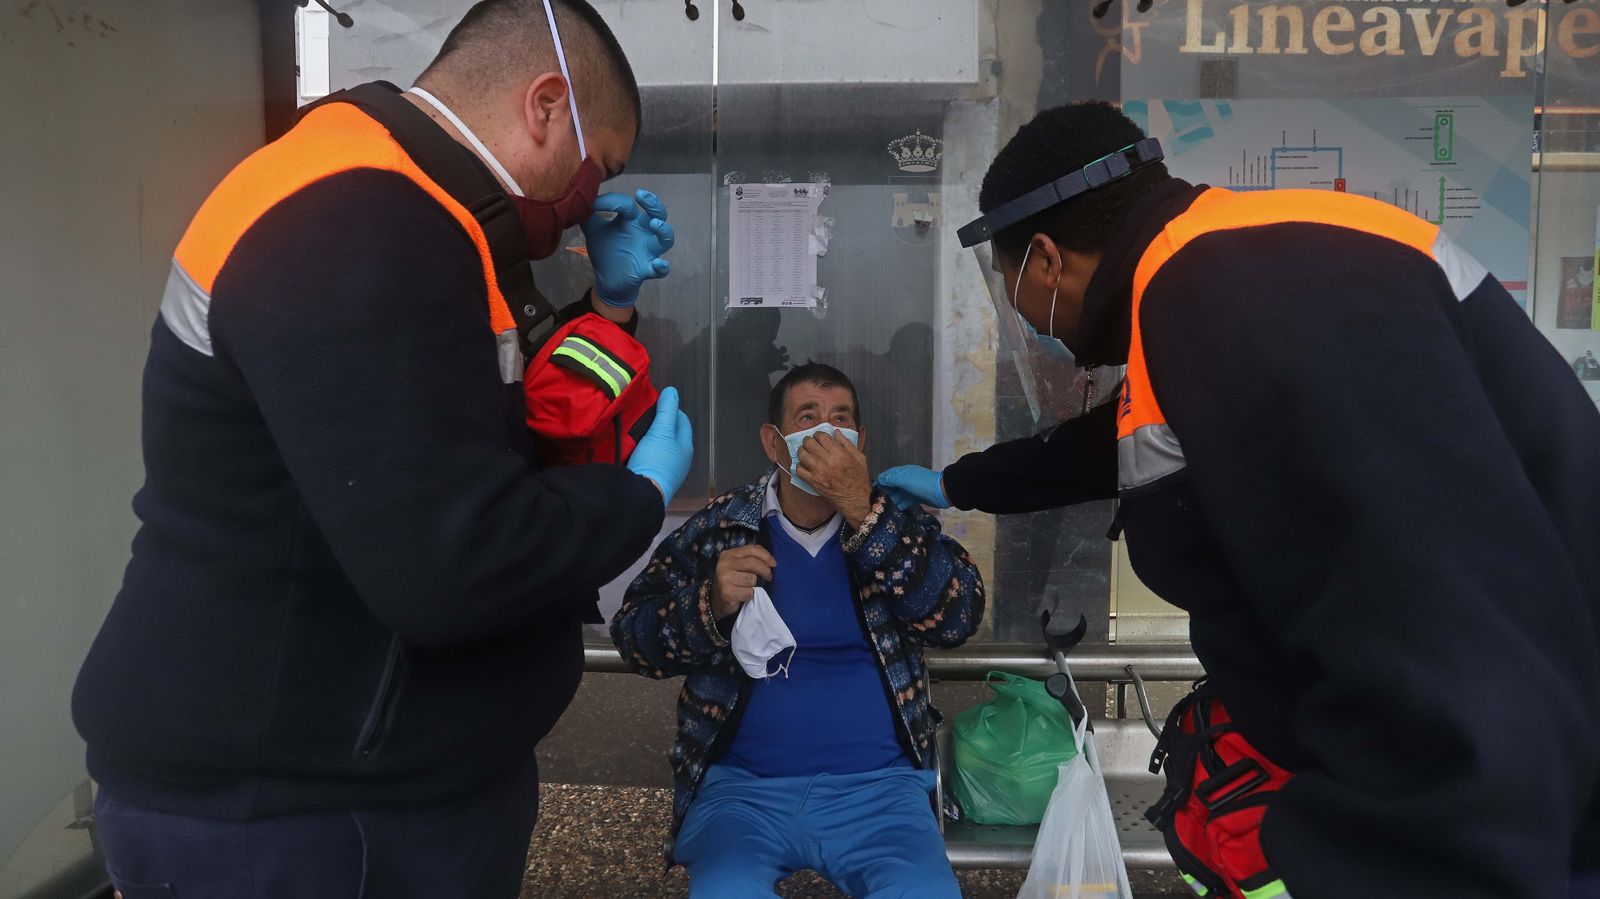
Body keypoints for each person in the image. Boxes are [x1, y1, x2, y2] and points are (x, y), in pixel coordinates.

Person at [879, 101, 1600, 898]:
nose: (1024, 314)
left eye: (1011, 284)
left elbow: (1437, 634)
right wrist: (961, 483)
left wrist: (1417, 857)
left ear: (1047, 260)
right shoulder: (1216, 271)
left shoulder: (1224, 291)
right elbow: (1127, 446)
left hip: (1492, 826)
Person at [70, 3, 693, 897]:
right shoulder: (359, 225)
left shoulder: (415, 208)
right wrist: (634, 500)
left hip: (357, 780)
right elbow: (455, 559)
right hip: (296, 817)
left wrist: (608, 308)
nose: (591, 196)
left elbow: (490, 431)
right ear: (546, 106)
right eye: (602, 169)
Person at [611, 362, 984, 899]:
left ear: (860, 441)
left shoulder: (898, 521)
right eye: (807, 418)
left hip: (880, 795)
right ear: (774, 443)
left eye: (840, 420)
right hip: (743, 795)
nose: (825, 433)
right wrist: (708, 605)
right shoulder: (721, 528)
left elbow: (959, 617)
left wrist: (864, 512)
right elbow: (633, 639)